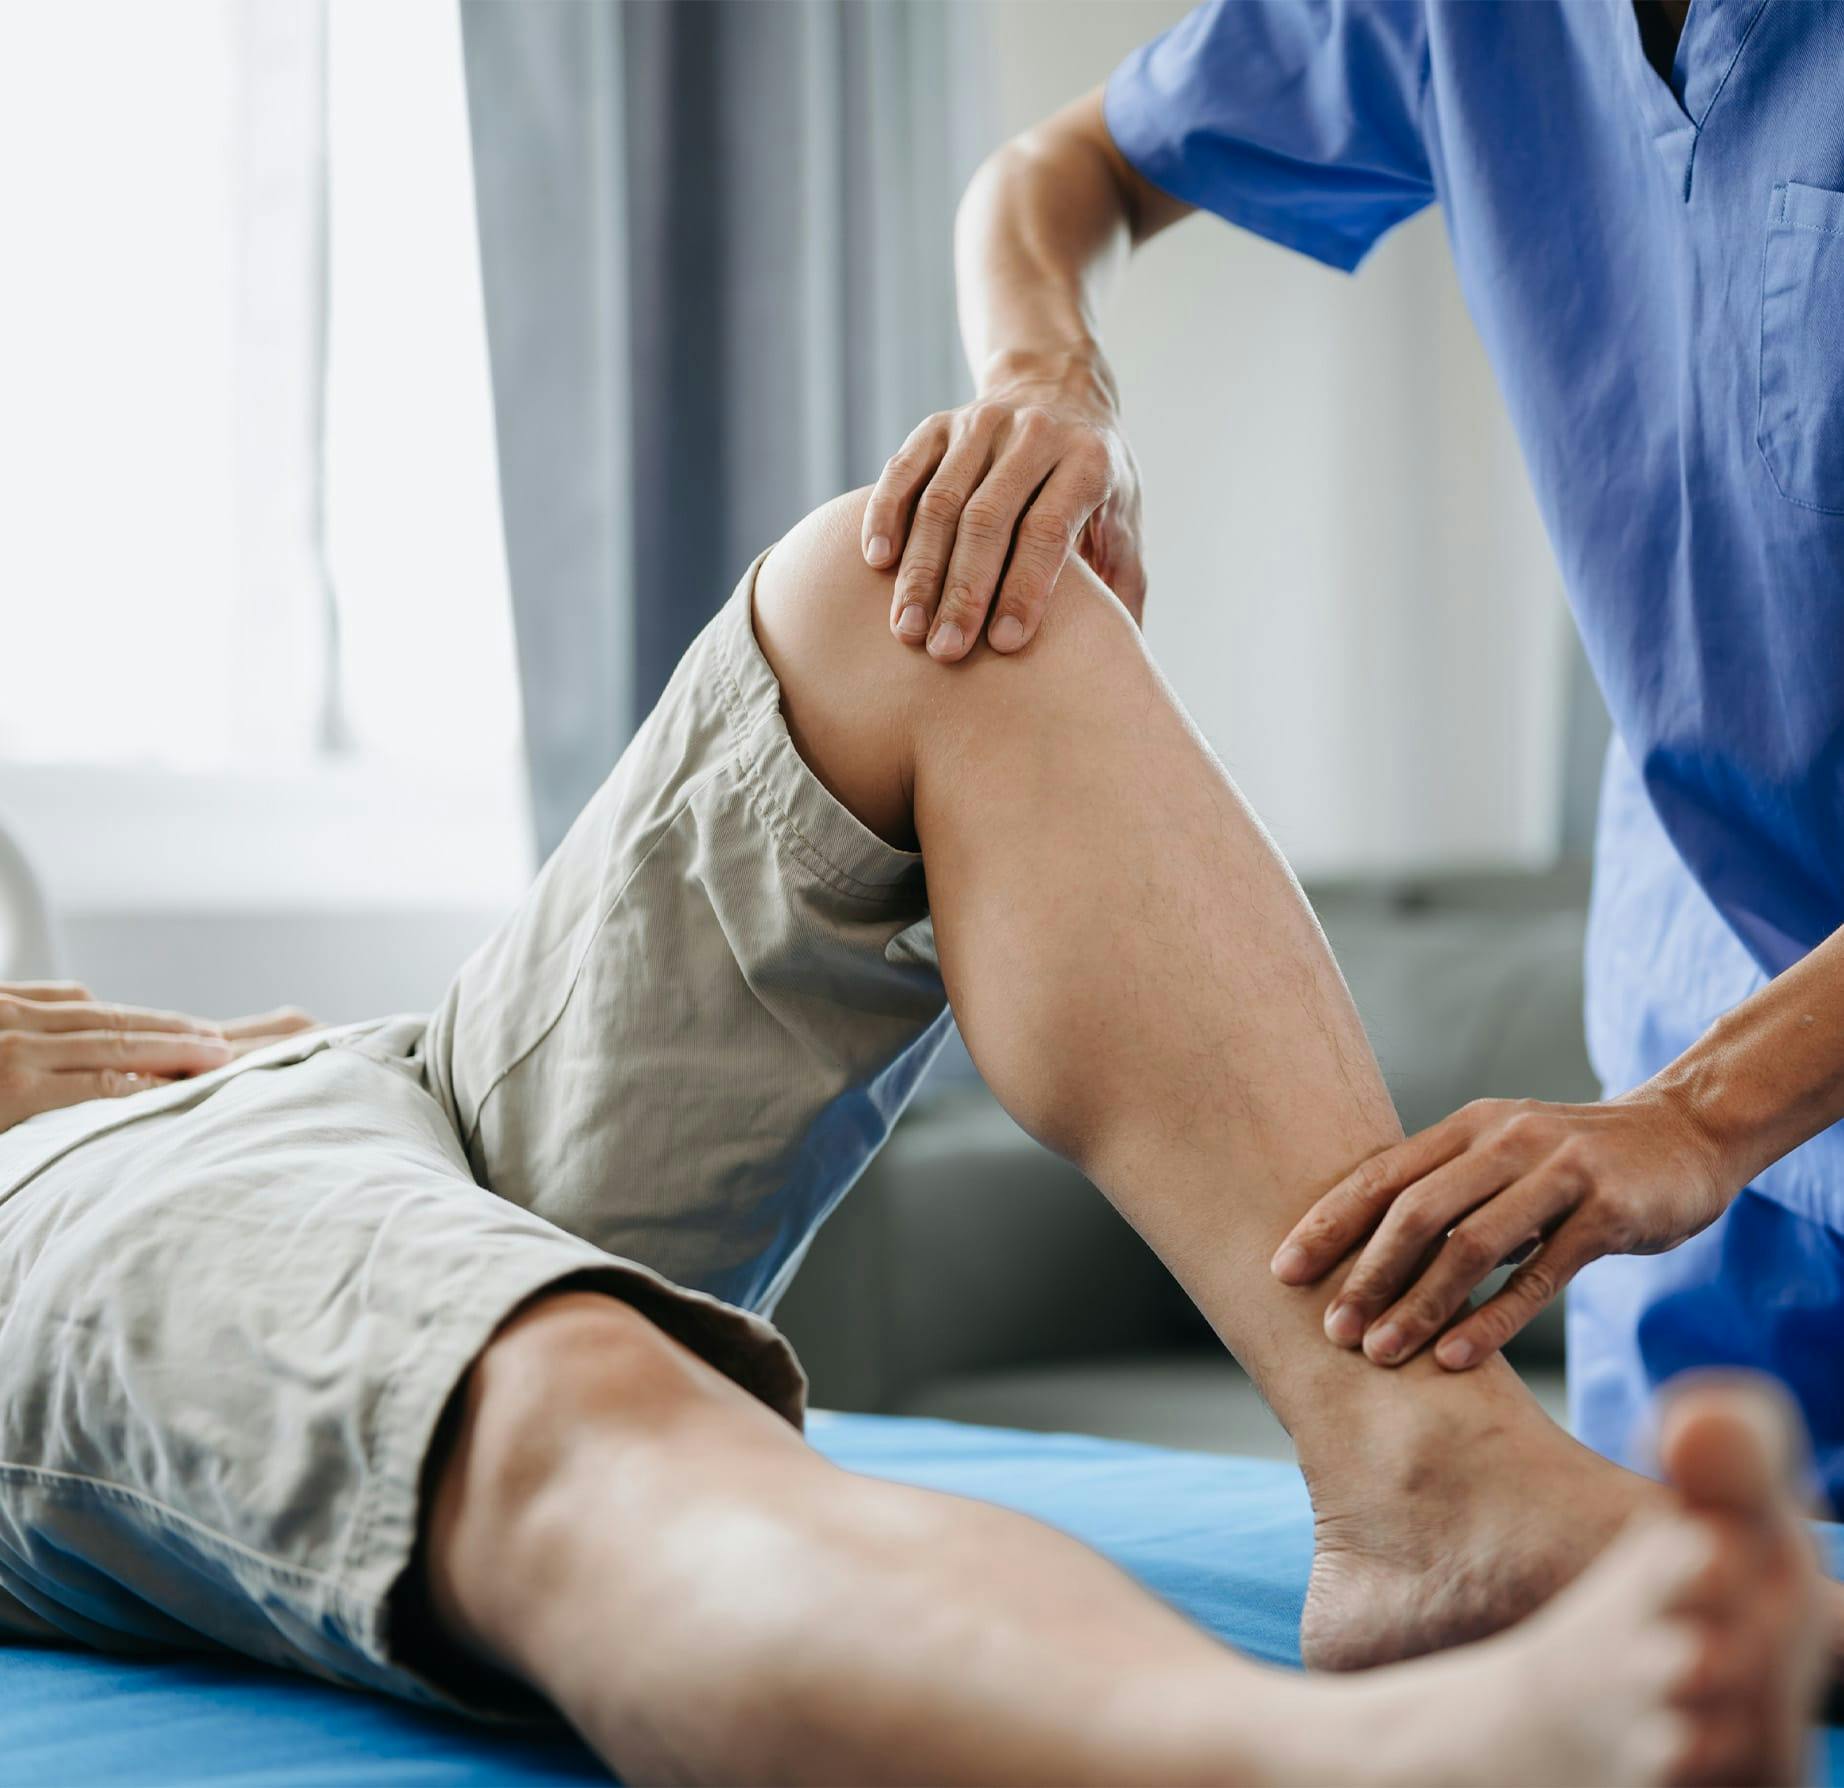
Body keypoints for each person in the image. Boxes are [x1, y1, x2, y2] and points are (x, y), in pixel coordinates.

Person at [0, 492, 1828, 1783]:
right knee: (560, 1397)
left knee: (925, 588)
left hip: (334, 1075)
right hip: (58, 1183)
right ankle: (1322, 1773)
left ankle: (1434, 1479)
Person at [862, 0, 1844, 1505]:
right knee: (1689, 1678)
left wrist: (1706, 1114)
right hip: (1695, 1043)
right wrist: (1048, 376)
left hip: (1717, 1106)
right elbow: (1055, 177)